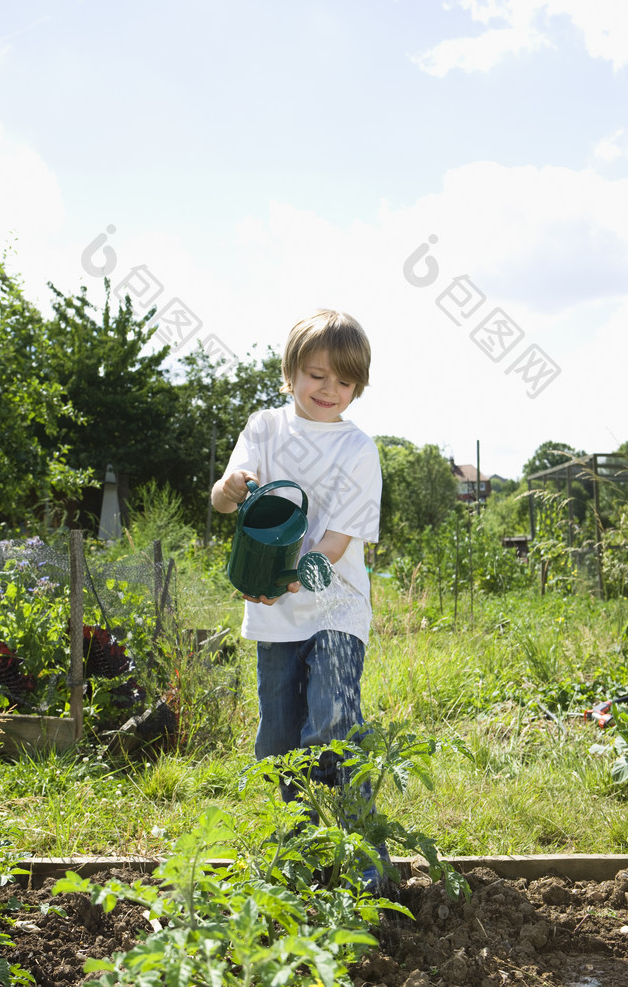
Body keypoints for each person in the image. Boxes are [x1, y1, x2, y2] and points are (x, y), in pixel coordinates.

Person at [211, 309, 384, 873]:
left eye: (343, 380)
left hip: (336, 605)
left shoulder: (359, 450)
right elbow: (224, 499)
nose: (328, 389)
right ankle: (301, 850)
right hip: (274, 615)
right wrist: (231, 486)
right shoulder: (264, 429)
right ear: (290, 375)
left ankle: (363, 859)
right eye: (316, 375)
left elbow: (334, 542)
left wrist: (291, 577)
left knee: (332, 721)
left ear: (357, 387)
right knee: (281, 741)